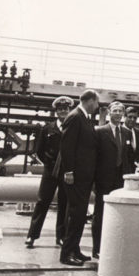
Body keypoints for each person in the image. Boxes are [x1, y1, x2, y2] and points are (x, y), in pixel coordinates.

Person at [57, 89, 99, 266]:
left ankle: (75, 249)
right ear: (90, 101)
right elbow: (67, 146)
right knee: (76, 214)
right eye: (96, 103)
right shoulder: (75, 117)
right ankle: (66, 254)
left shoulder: (84, 117)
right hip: (75, 176)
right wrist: (69, 171)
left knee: (80, 214)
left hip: (83, 176)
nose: (97, 107)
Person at [24, 96, 71, 249]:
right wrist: (50, 164)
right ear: (56, 111)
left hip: (67, 172)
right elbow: (39, 150)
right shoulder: (47, 129)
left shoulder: (73, 128)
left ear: (69, 110)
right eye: (60, 109)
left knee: (64, 204)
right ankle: (32, 235)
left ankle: (61, 237)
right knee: (42, 202)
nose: (63, 111)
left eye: (65, 109)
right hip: (50, 171)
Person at [91, 101, 130, 258]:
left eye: (121, 111)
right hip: (103, 180)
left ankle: (113, 247)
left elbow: (127, 157)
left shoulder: (126, 133)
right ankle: (97, 248)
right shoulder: (100, 131)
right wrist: (93, 180)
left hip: (120, 181)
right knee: (100, 214)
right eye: (115, 110)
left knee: (118, 214)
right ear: (108, 112)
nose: (118, 114)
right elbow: (94, 157)